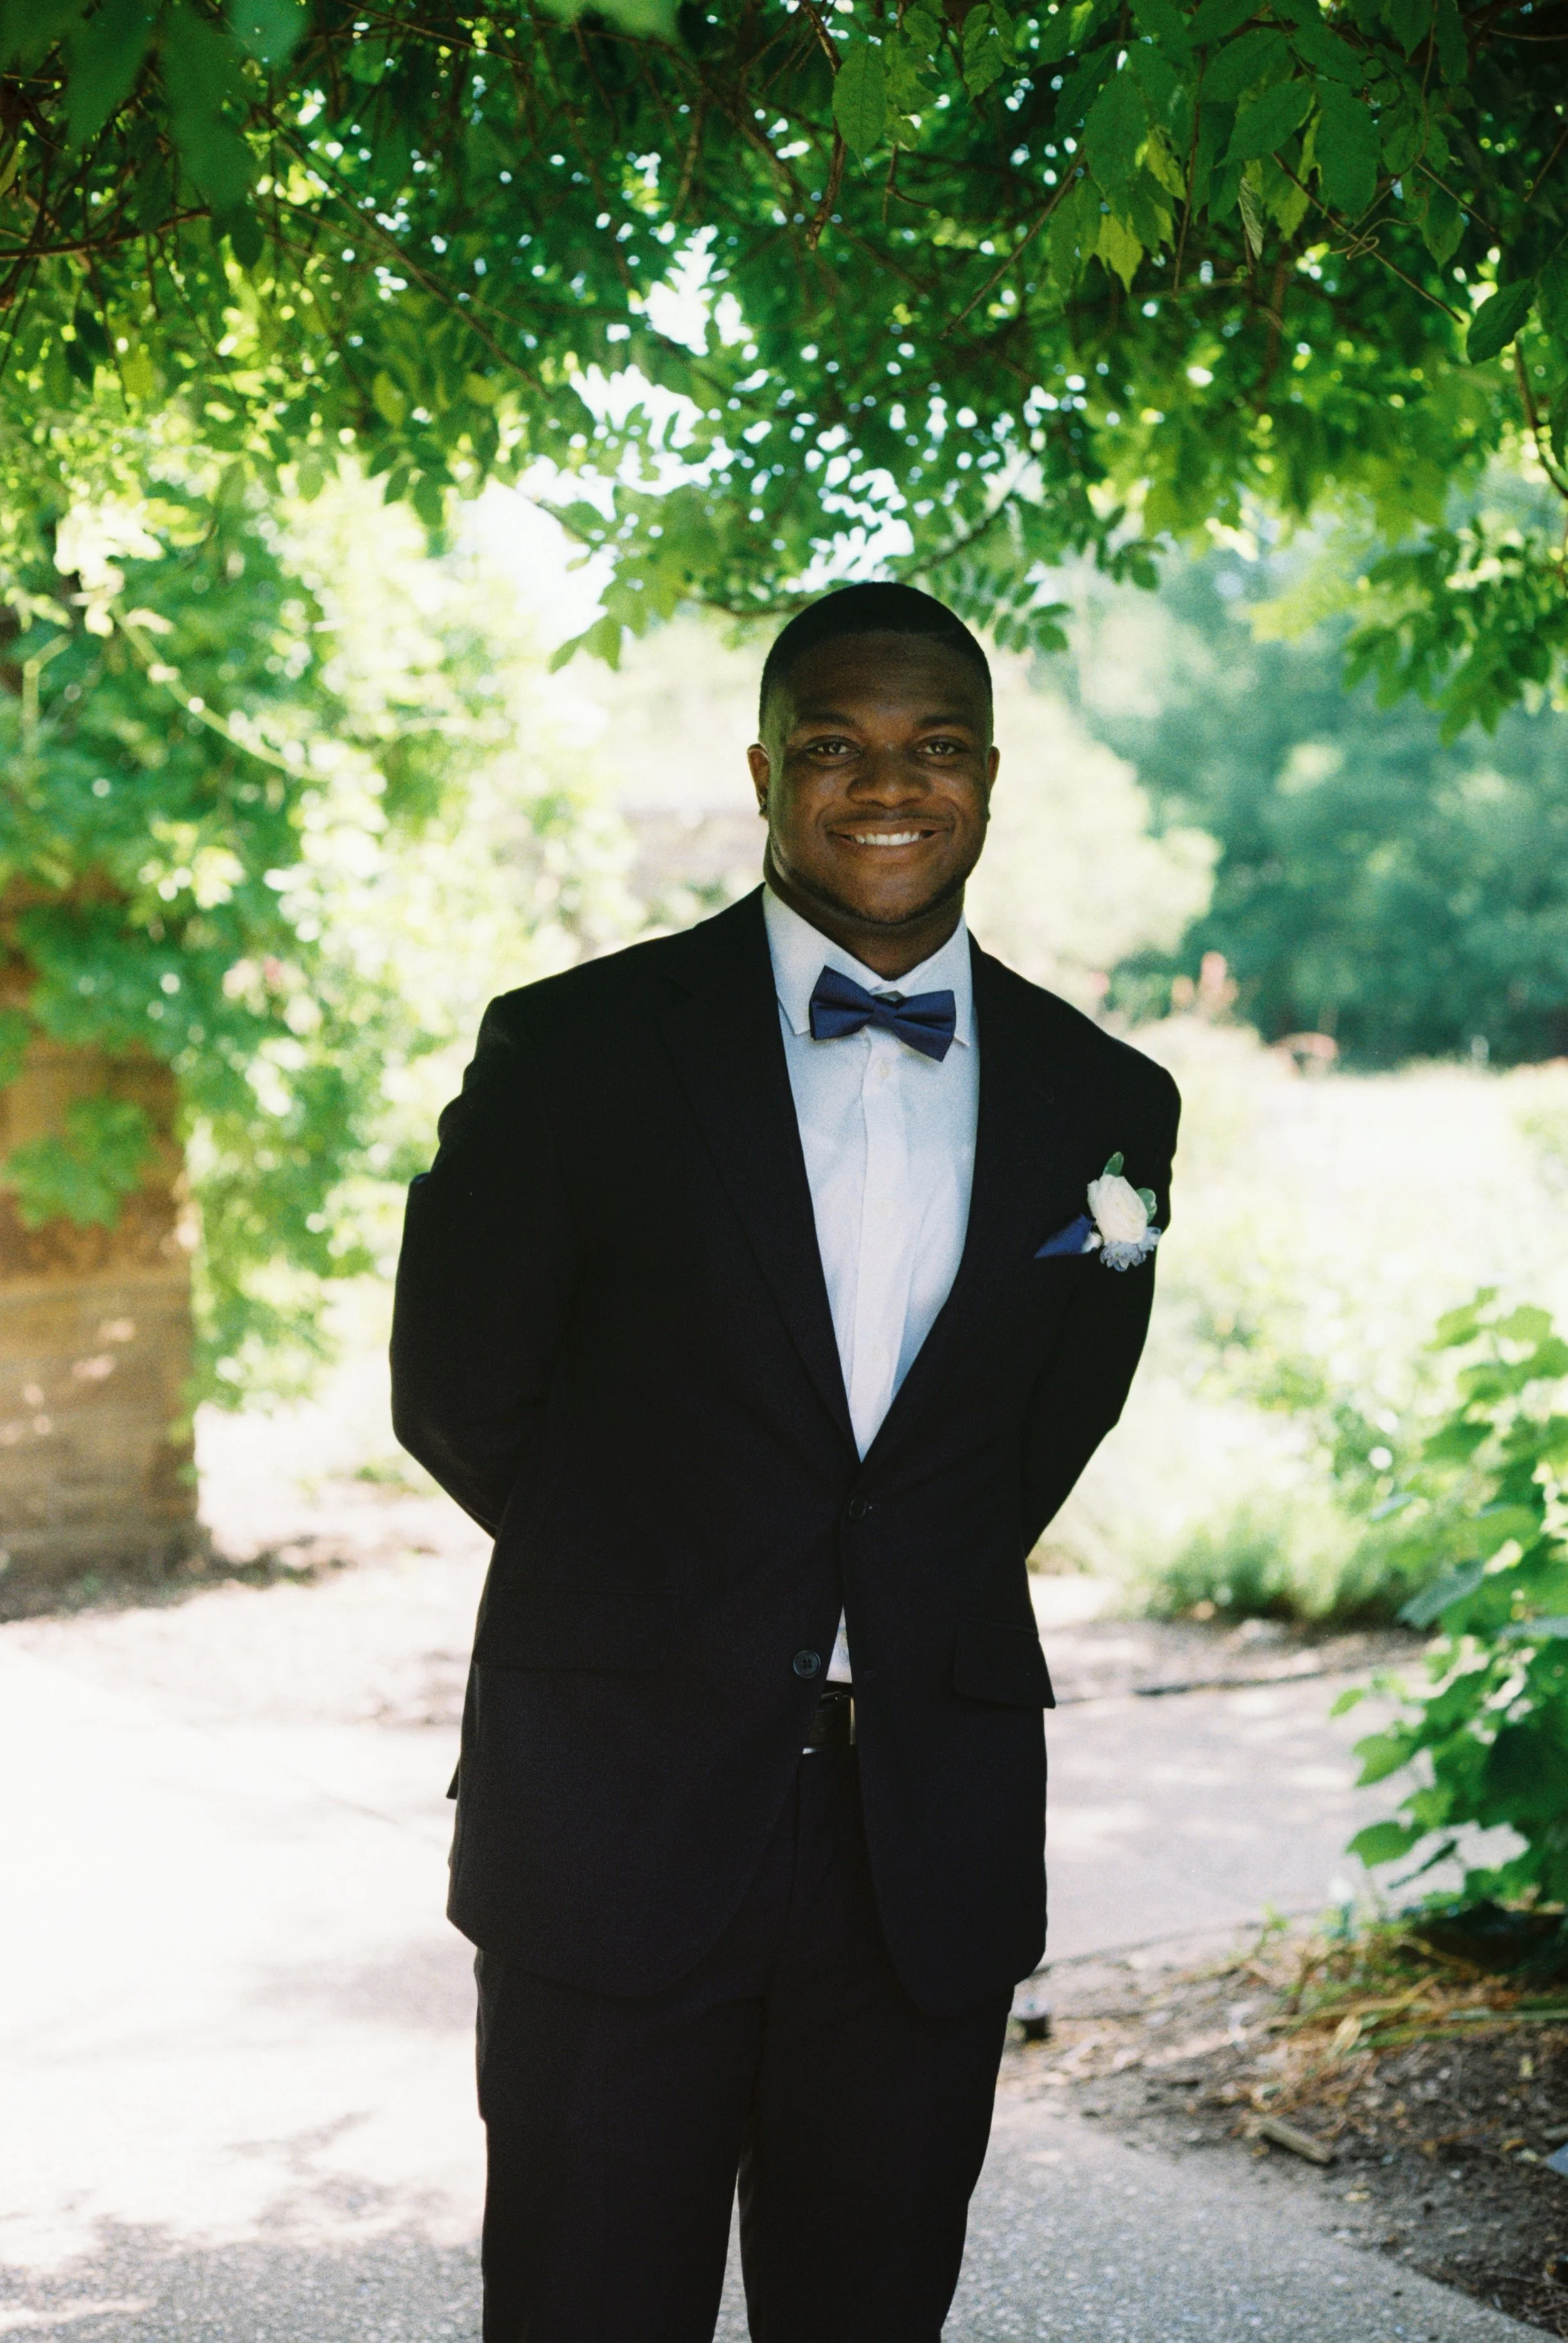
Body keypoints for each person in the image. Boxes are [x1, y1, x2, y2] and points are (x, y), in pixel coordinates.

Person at [390, 581, 1180, 2342]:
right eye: (833, 744)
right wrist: (682, 1586)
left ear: (987, 776)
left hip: (925, 1828)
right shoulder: (575, 1052)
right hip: (620, 1802)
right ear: (763, 769)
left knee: (872, 2312)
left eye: (931, 748)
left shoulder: (1104, 1099)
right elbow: (456, 1394)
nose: (883, 784)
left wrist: (881, 1583)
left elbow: (1040, 1430)